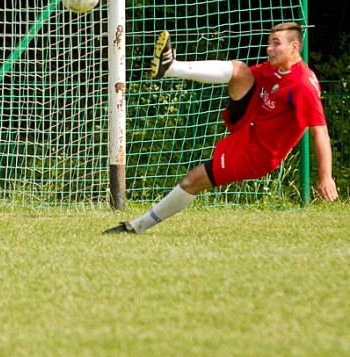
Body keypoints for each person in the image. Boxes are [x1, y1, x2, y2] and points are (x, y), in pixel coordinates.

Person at [104, 23, 338, 235]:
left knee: (192, 181)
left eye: (276, 44)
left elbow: (320, 133)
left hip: (257, 155)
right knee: (238, 69)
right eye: (269, 43)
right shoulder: (274, 69)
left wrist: (325, 177)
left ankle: (136, 227)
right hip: (248, 128)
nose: (269, 49)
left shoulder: (303, 86)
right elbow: (239, 77)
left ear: (294, 47)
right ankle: (171, 67)